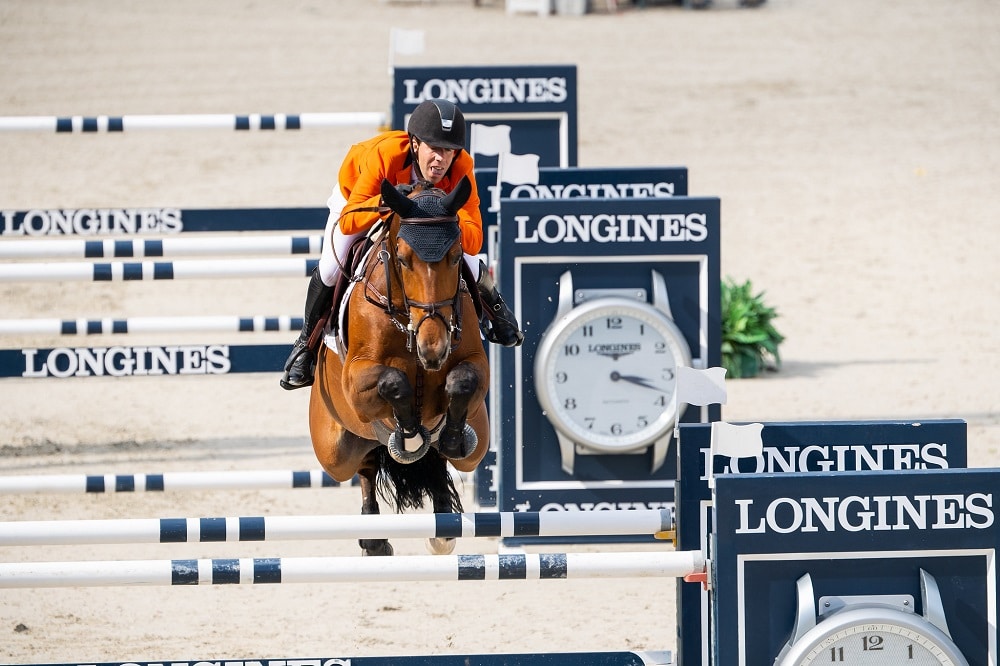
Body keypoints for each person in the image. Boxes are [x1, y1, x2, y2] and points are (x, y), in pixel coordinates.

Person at [280, 98, 524, 391]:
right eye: (435, 149)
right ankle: (306, 344)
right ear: (416, 144)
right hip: (358, 200)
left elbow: (473, 241)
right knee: (332, 267)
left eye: (449, 151)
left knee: (467, 260)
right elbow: (349, 222)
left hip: (424, 217)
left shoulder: (462, 166)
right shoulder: (385, 156)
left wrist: (443, 212)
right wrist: (390, 201)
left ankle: (498, 313)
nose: (441, 160)